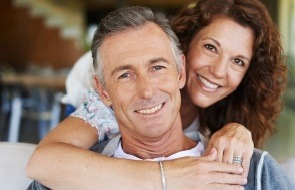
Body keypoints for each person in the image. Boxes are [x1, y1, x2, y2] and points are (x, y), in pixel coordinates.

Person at [26, 0, 287, 188]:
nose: (219, 71)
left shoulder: (243, 158)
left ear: (179, 70)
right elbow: (43, 162)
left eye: (238, 61)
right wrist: (168, 177)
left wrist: (237, 129)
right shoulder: (104, 110)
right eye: (210, 47)